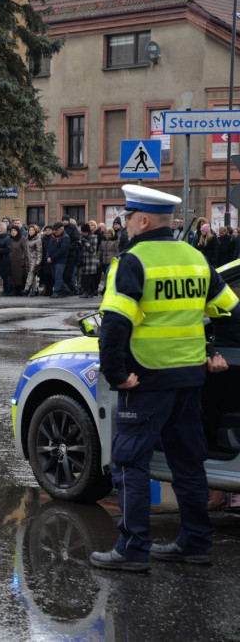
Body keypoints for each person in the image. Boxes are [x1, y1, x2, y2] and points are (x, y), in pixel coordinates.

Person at [90, 184, 238, 573]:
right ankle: (195, 544)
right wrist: (213, 352)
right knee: (188, 465)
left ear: (141, 220)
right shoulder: (196, 259)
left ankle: (132, 550)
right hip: (190, 380)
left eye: (127, 218)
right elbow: (230, 312)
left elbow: (114, 326)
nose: (125, 225)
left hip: (147, 381)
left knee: (129, 464)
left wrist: (117, 375)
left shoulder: (133, 261)